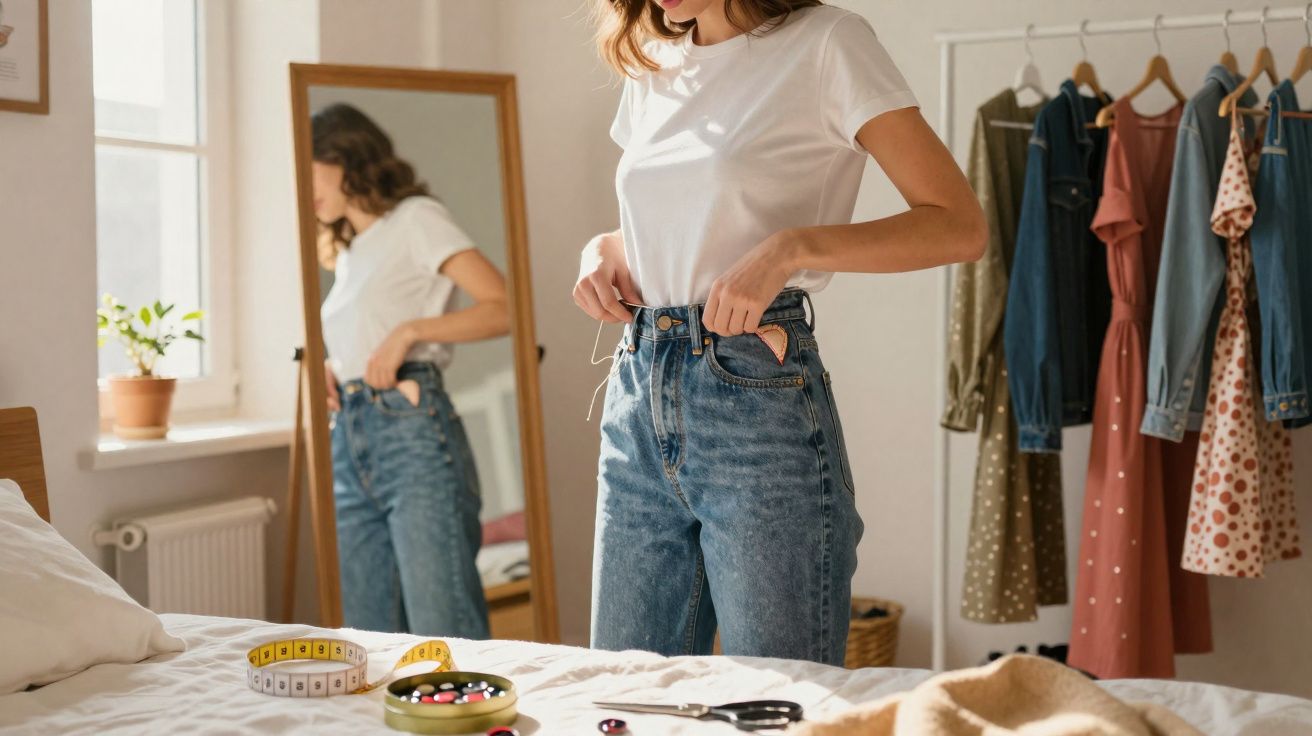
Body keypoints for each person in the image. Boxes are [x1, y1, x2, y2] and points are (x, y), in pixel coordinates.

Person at [578, 0, 985, 665]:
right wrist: (602, 250)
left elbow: (959, 225)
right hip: (637, 393)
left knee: (779, 700)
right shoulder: (652, 61)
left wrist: (791, 248)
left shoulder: (828, 42)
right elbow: (682, 218)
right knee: (623, 691)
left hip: (754, 395)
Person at [313, 103, 509, 638]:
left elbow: (502, 307)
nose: (304, 185)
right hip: (349, 442)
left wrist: (409, 332)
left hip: (411, 434)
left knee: (444, 633)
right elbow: (368, 328)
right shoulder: (350, 251)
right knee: (371, 639)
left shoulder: (415, 218)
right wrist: (336, 366)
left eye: (309, 167)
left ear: (343, 155)